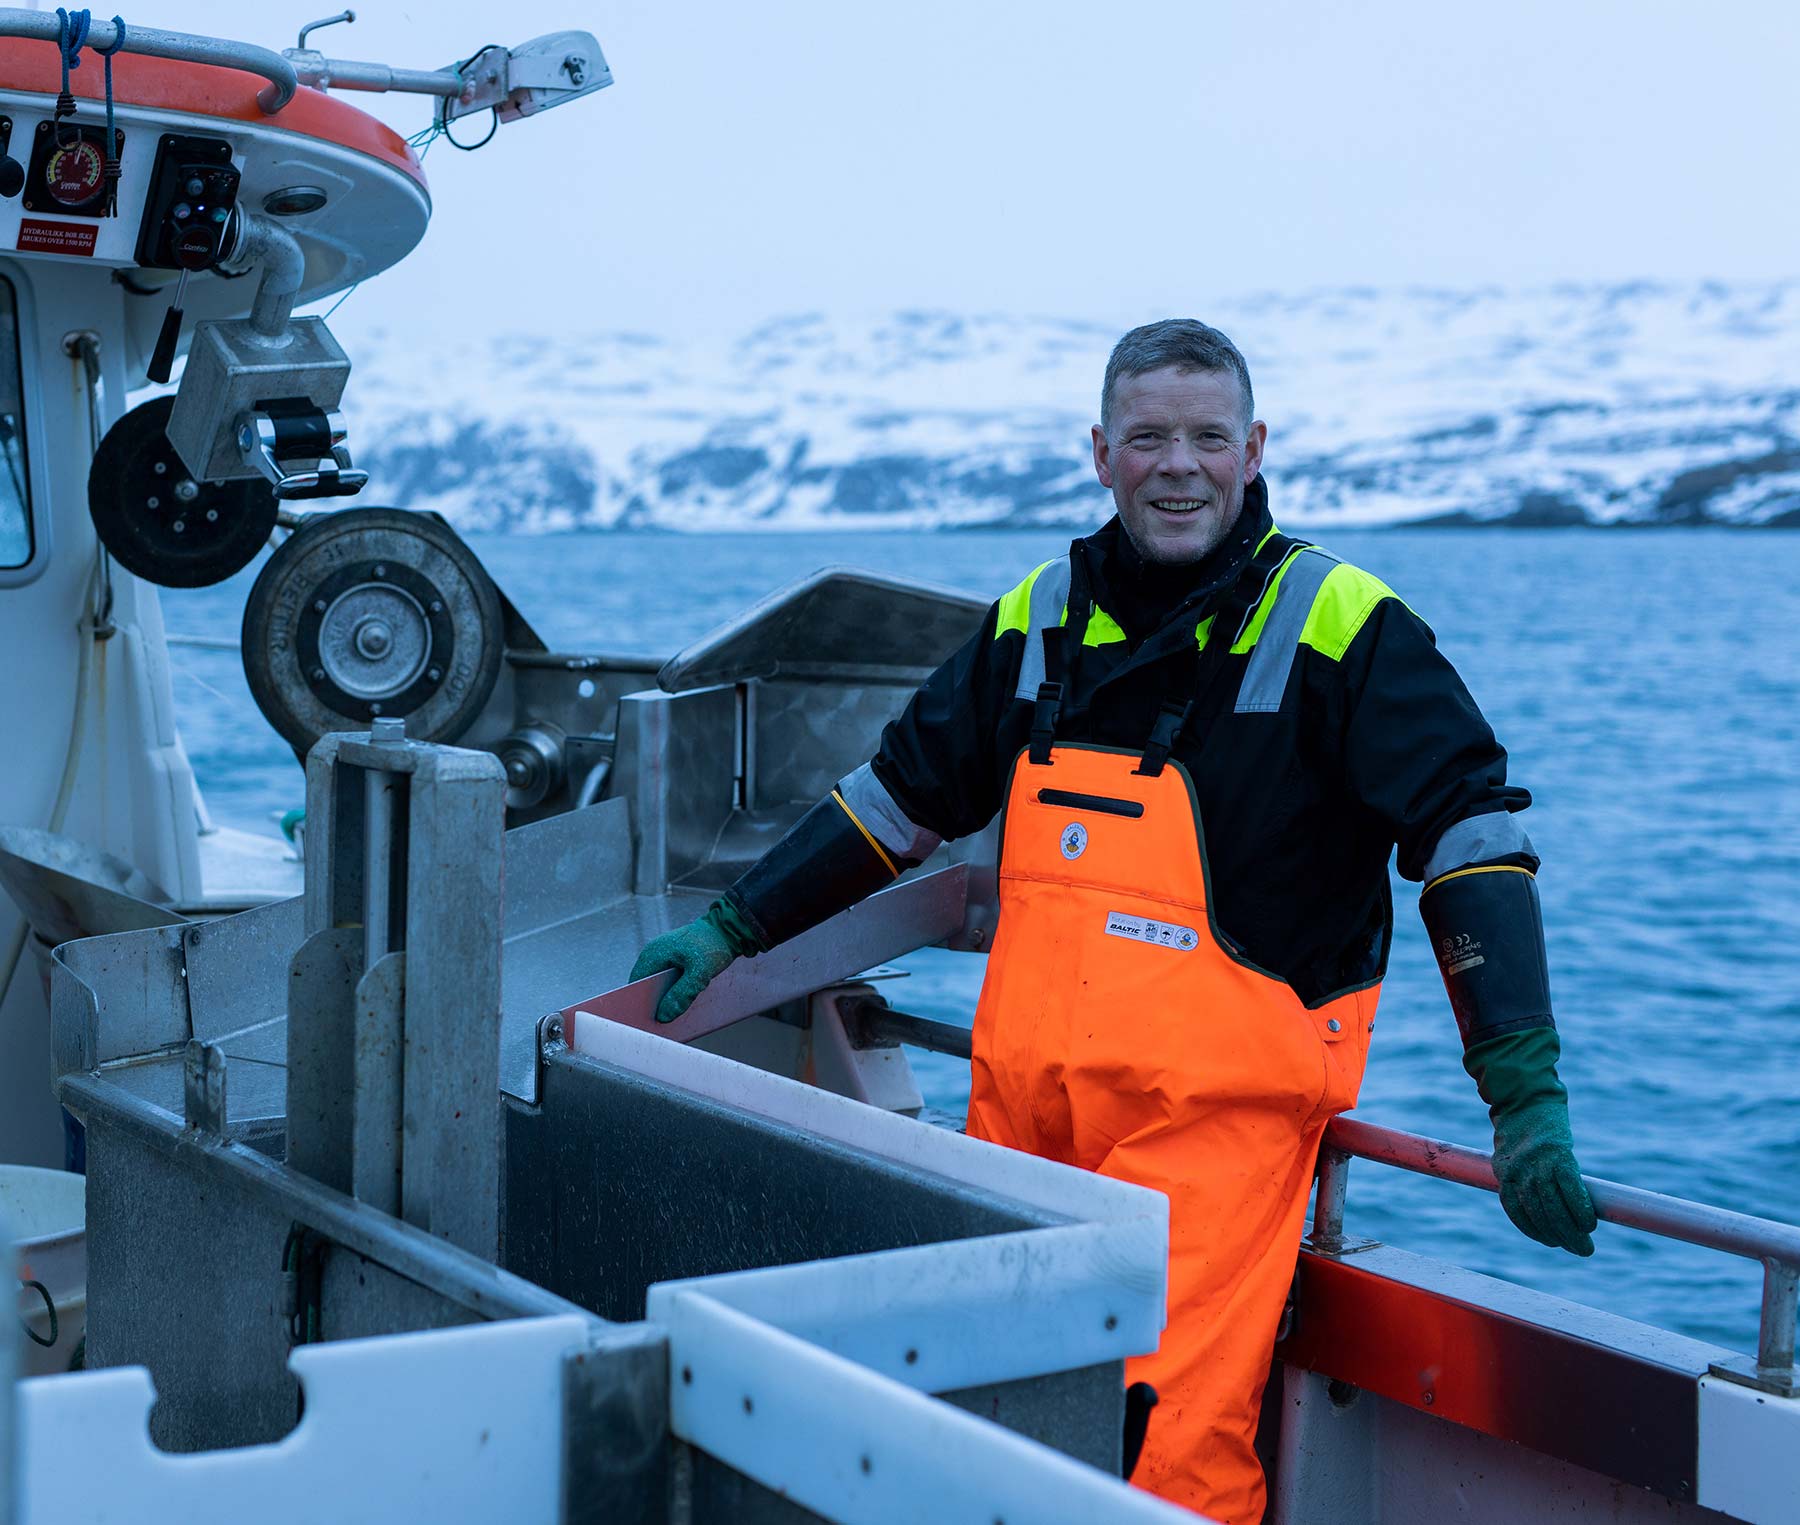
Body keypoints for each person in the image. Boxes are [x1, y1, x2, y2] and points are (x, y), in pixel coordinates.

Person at [630, 319, 1597, 1523]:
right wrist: (732, 929)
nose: (1178, 465)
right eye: (1148, 437)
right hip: (1018, 1126)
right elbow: (896, 803)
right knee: (982, 1428)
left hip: (1209, 1144)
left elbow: (1470, 836)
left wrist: (1522, 1094)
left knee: (1155, 1465)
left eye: (1206, 437)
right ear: (1101, 453)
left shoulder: (1343, 622)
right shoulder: (1037, 616)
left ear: (1254, 449)